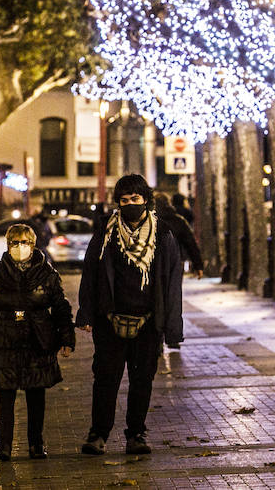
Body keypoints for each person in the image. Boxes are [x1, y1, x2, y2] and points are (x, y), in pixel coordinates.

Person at [76, 174, 183, 456]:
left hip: (148, 323)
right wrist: (85, 313)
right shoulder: (105, 233)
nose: (130, 205)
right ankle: (98, 434)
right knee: (105, 380)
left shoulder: (163, 234)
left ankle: (136, 434)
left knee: (141, 381)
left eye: (135, 199)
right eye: (124, 201)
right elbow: (90, 273)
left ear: (146, 200)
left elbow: (172, 282)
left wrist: (172, 327)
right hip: (108, 321)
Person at [0, 223, 75, 461]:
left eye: (23, 242)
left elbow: (60, 306)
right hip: (4, 338)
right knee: (5, 394)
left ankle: (36, 444)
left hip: (36, 339)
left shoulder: (46, 273)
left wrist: (67, 337)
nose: (19, 247)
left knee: (36, 394)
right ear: (7, 245)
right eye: (14, 242)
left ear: (33, 245)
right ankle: (4, 445)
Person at [155, 193, 203, 276]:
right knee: (173, 287)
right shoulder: (178, 220)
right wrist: (198, 265)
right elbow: (191, 244)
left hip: (154, 263)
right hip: (175, 261)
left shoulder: (150, 222)